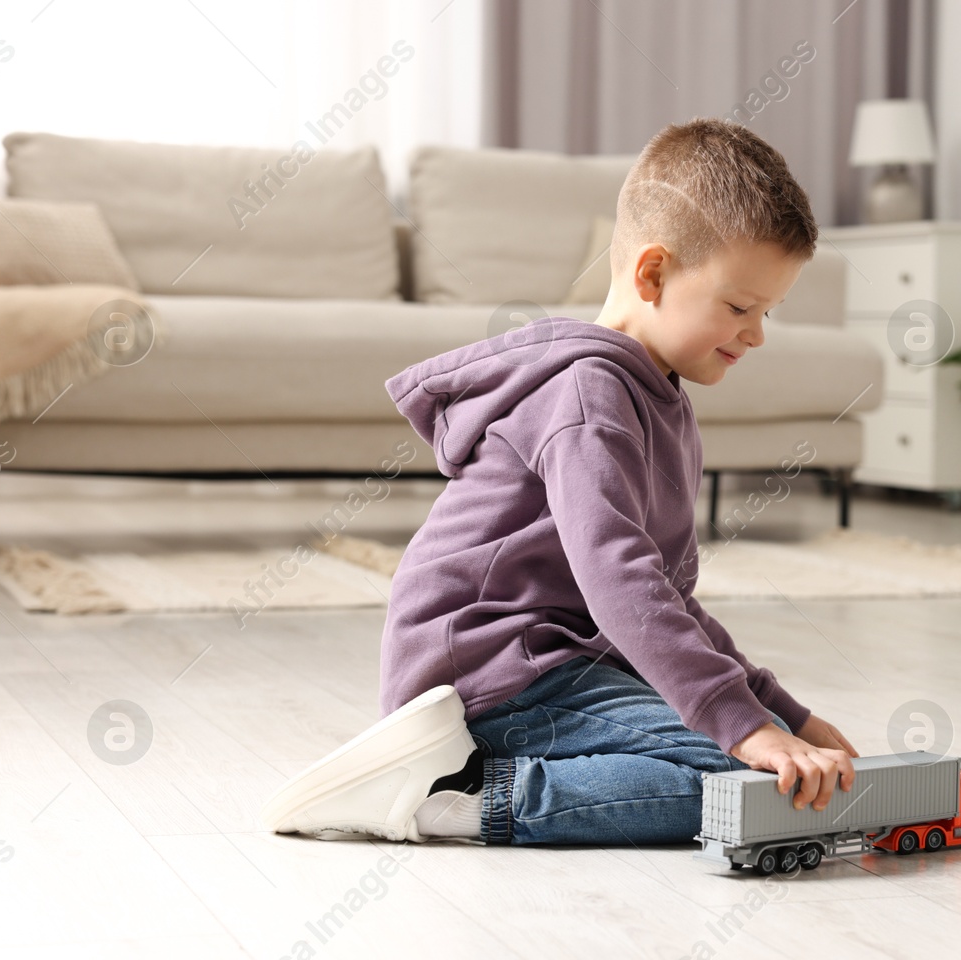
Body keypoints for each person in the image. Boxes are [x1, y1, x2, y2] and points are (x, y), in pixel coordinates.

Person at [260, 117, 858, 847]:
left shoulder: (660, 394)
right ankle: (453, 797)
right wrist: (745, 728)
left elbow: (664, 599)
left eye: (768, 310)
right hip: (489, 672)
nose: (757, 332)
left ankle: (484, 775)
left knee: (759, 762)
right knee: (742, 782)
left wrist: (781, 714)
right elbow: (621, 580)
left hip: (556, 662)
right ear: (652, 273)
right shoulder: (588, 398)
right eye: (739, 306)